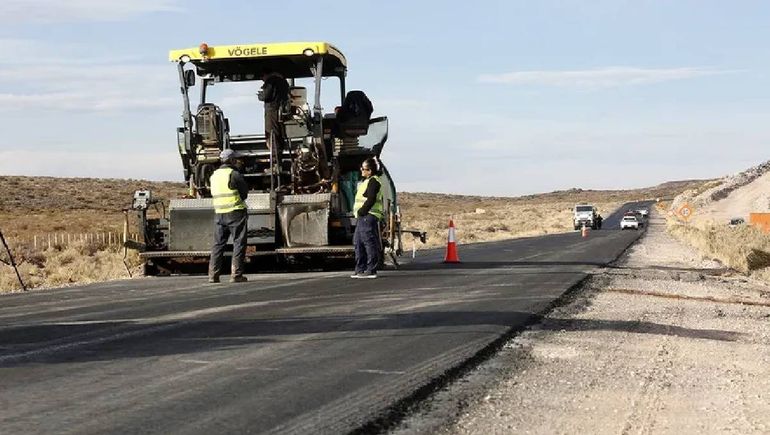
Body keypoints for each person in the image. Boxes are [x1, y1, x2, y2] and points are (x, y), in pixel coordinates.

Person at [208, 149, 249, 283]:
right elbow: (244, 193)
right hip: (235, 212)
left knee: (218, 244)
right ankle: (236, 275)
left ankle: (213, 275)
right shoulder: (234, 174)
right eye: (235, 159)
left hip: (219, 213)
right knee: (238, 243)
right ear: (231, 160)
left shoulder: (214, 175)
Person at [351, 157, 384, 279]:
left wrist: (362, 211)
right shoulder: (367, 181)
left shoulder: (374, 181)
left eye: (363, 169)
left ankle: (371, 269)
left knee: (368, 242)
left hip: (368, 216)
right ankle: (360, 269)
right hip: (363, 217)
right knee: (358, 242)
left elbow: (371, 199)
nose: (361, 171)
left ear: (370, 171)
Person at [260, 70, 290, 159]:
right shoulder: (284, 82)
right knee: (279, 134)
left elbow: (266, 96)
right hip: (281, 110)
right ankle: (279, 154)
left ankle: (275, 159)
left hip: (272, 110)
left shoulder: (270, 81)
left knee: (271, 134)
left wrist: (260, 96)